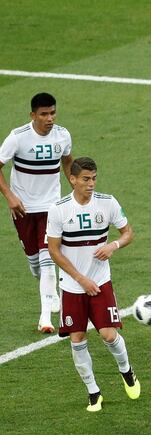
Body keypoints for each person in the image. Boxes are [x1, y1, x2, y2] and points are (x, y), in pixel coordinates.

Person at [46, 157, 140, 412]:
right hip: (73, 286)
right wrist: (80, 279)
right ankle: (93, 392)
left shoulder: (107, 203)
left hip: (100, 282)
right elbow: (54, 251)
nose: (91, 184)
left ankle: (127, 370)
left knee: (108, 334)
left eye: (94, 178)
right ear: (73, 179)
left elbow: (128, 232)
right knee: (77, 339)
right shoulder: (59, 210)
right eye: (86, 179)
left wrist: (113, 245)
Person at [0, 92, 74, 333]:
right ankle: (50, 293)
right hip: (23, 209)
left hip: (51, 207)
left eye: (52, 113)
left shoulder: (62, 135)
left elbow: (67, 161)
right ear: (33, 115)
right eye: (44, 114)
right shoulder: (18, 138)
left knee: (48, 258)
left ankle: (45, 318)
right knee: (35, 264)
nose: (49, 118)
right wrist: (10, 196)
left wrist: (76, 191)